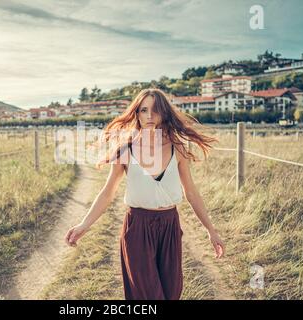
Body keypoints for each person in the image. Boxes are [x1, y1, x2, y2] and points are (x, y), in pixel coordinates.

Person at [64, 88, 225, 300]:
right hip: (138, 228)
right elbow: (107, 192)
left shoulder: (178, 147)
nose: (149, 116)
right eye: (144, 110)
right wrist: (84, 225)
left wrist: (211, 230)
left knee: (171, 294)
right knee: (149, 297)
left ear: (164, 113)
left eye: (155, 110)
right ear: (137, 113)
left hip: (170, 227)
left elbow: (192, 193)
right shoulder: (126, 149)